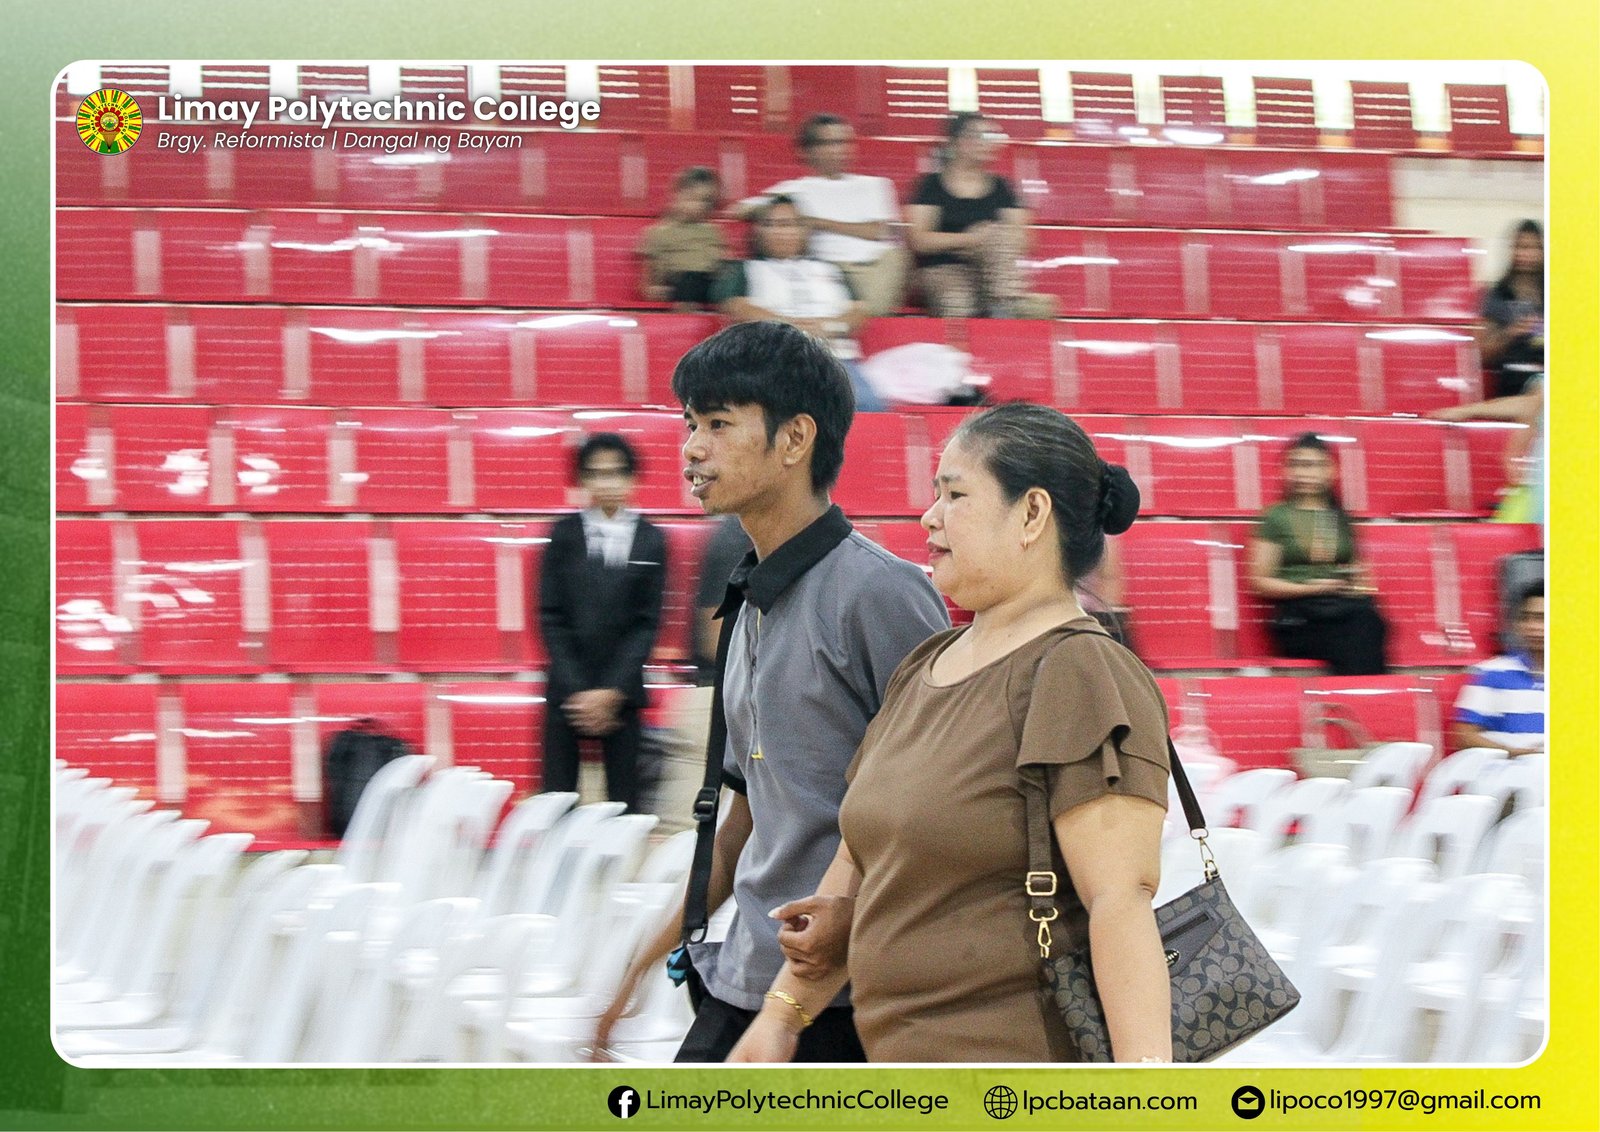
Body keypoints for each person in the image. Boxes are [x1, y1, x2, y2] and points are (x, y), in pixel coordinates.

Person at [727, 402, 1172, 1063]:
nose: (929, 516)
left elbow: (1120, 902)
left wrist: (1148, 1098)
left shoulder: (1081, 669)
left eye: (955, 495)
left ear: (1032, 515)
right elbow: (860, 860)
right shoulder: (925, 665)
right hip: (903, 1070)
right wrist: (782, 1016)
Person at [591, 321, 949, 1062]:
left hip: (846, 999)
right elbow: (745, 824)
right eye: (691, 425)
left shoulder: (881, 594)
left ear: (794, 440)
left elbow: (932, 805)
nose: (692, 449)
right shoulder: (750, 599)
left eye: (719, 425)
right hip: (747, 978)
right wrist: (635, 969)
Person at [537, 434, 667, 812]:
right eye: (596, 473)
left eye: (616, 472)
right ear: (582, 479)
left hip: (622, 695)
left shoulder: (651, 539)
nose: (607, 482)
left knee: (626, 808)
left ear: (633, 478)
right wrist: (579, 692)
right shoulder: (562, 535)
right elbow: (551, 617)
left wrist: (612, 692)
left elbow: (647, 623)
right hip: (567, 693)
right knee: (555, 807)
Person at [712, 195, 886, 411]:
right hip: (773, 359)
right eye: (771, 225)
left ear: (804, 230)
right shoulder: (745, 269)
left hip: (834, 358)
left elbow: (858, 312)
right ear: (759, 231)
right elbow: (738, 309)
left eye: (788, 224)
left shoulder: (831, 269)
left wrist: (827, 327)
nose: (780, 232)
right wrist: (792, 328)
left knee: (867, 404)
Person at [736, 113, 908, 316]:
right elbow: (741, 210)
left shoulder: (876, 185)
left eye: (844, 142)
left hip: (877, 265)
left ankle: (857, 313)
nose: (840, 149)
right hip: (828, 270)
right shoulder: (796, 189)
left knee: (895, 259)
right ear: (808, 150)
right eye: (830, 143)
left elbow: (886, 232)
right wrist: (786, 216)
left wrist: (818, 222)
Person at [1248, 433, 1389, 676]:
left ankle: (1363, 692)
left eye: (1310, 465)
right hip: (1298, 617)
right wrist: (1314, 587)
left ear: (1330, 471)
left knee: (1370, 622)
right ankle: (1367, 693)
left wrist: (1355, 587)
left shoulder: (1341, 518)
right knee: (1359, 633)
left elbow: (1365, 578)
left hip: (1342, 609)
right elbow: (1260, 582)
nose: (1301, 473)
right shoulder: (1276, 516)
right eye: (1294, 465)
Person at [906, 112, 1054, 319]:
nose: (990, 143)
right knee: (958, 303)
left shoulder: (1002, 188)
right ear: (959, 141)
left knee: (999, 234)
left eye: (993, 137)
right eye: (983, 136)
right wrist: (971, 239)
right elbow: (918, 240)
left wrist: (990, 238)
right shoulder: (930, 185)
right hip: (941, 269)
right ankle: (1007, 307)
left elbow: (1025, 240)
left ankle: (1004, 306)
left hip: (990, 273)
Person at [1452, 580, 1545, 756]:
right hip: (1510, 768)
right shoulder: (1492, 672)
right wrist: (1512, 753)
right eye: (1526, 618)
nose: (1533, 626)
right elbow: (1464, 736)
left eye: (1542, 619)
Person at [637, 166, 727, 308]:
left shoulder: (714, 231)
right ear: (677, 195)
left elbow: (722, 262)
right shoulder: (659, 233)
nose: (698, 206)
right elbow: (648, 282)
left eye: (705, 201)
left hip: (711, 283)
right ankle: (690, 315)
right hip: (680, 285)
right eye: (692, 198)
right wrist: (654, 289)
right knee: (690, 280)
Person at [1476, 219, 1544, 399]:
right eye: (1521, 247)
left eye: (1533, 248)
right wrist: (1511, 333)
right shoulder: (1497, 295)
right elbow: (1482, 353)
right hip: (1514, 377)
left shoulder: (1556, 294)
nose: (1526, 254)